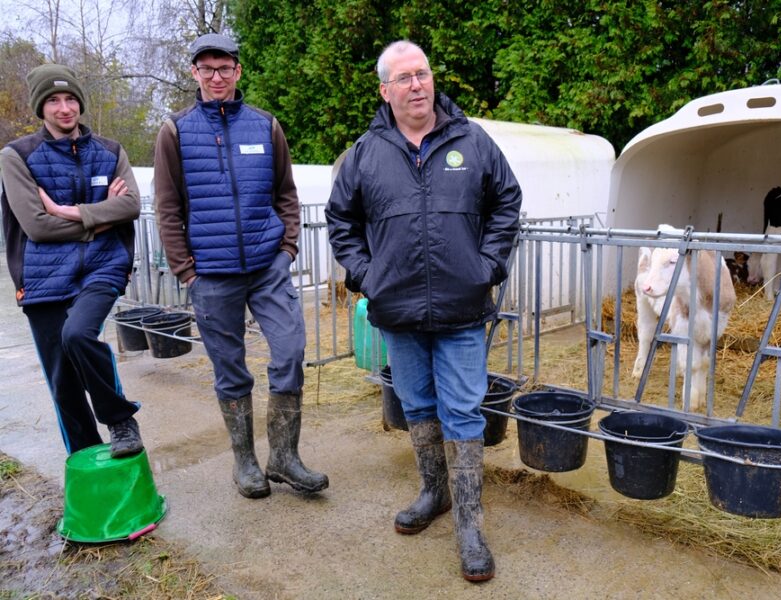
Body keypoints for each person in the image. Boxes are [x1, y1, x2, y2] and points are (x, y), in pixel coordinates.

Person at [325, 40, 522, 582]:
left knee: (463, 411)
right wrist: (367, 276)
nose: (417, 85)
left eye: (423, 74)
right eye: (404, 78)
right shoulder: (366, 153)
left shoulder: (472, 141)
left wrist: (487, 266)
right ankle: (434, 491)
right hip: (398, 309)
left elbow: (508, 200)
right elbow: (339, 220)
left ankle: (469, 522)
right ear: (385, 91)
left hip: (461, 308)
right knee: (416, 405)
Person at [153, 33, 327, 499]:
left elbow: (285, 195)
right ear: (194, 73)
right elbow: (167, 208)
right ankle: (245, 461)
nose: (216, 77)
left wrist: (286, 248)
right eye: (206, 68)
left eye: (224, 68)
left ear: (238, 72)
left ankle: (285, 457)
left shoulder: (265, 126)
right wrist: (186, 270)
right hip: (211, 274)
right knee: (231, 370)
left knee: (290, 351)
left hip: (267, 266)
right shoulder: (175, 131)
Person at [0, 64, 144, 458]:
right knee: (62, 381)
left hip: (103, 265)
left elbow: (130, 204)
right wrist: (99, 217)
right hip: (43, 277)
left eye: (70, 99)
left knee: (78, 334)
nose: (64, 108)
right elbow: (36, 227)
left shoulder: (110, 151)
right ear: (40, 108)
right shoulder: (17, 156)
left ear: (80, 103)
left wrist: (68, 212)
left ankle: (120, 419)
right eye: (53, 100)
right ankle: (85, 465)